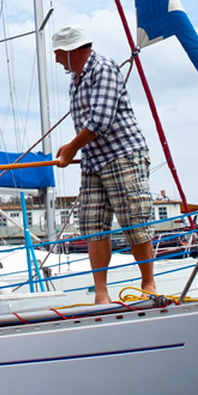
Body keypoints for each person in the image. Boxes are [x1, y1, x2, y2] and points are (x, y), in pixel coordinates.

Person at [52, 26, 157, 305]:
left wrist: (71, 148)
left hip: (122, 155)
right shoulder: (75, 79)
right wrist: (74, 148)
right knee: (94, 225)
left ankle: (148, 283)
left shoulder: (103, 68)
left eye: (59, 53)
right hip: (93, 161)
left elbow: (100, 120)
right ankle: (101, 293)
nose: (57, 60)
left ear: (73, 51)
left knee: (134, 219)